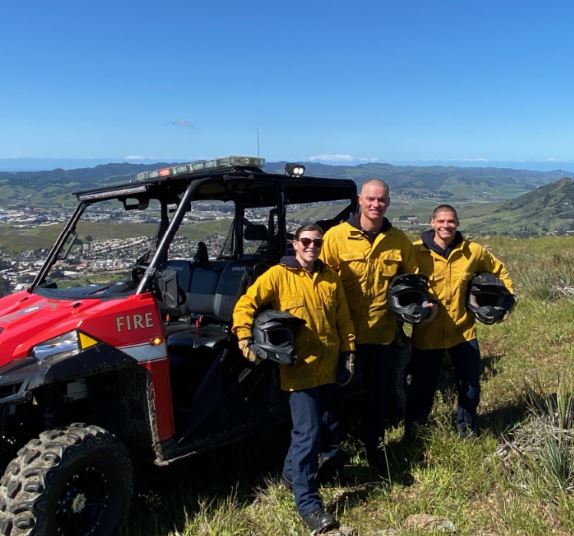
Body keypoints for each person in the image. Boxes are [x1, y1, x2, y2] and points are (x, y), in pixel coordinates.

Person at [232, 224, 356, 535]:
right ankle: (309, 505)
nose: (312, 246)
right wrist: (245, 340)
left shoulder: (329, 278)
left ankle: (291, 476)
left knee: (329, 432)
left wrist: (348, 353)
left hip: (329, 369)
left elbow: (342, 319)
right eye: (306, 241)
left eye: (317, 241)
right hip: (299, 372)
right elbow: (245, 305)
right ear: (295, 244)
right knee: (307, 434)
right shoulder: (278, 275)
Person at [320, 179, 418, 469]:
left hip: (381, 334)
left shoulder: (399, 241)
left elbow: (412, 282)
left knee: (377, 397)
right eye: (371, 199)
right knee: (335, 397)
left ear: (388, 202)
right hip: (343, 336)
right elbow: (321, 282)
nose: (376, 205)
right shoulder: (335, 237)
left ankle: (374, 449)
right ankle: (332, 456)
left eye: (382, 200)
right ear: (359, 200)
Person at [405, 204, 514, 439]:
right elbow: (399, 280)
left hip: (463, 332)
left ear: (458, 223)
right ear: (432, 222)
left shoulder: (472, 252)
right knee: (422, 387)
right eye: (441, 221)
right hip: (427, 333)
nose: (446, 226)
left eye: (451, 221)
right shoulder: (414, 251)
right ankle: (415, 432)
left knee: (469, 385)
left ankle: (467, 428)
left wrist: (507, 298)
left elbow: (499, 270)